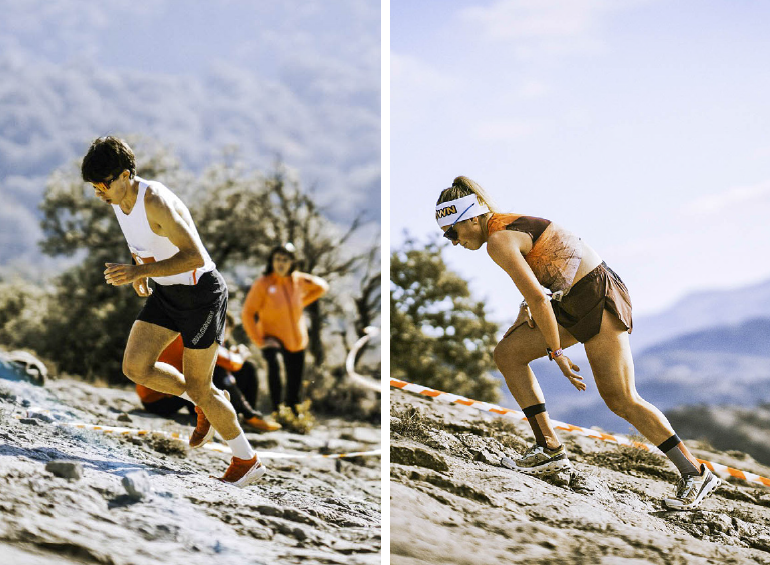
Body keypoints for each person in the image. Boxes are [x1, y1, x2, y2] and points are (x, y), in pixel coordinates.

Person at [435, 176, 720, 511]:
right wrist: (526, 310)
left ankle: (695, 472)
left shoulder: (498, 240)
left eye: (451, 232)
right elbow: (546, 278)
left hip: (596, 298)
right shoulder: (506, 227)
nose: (453, 242)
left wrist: (556, 353)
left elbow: (540, 300)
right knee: (508, 354)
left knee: (621, 399)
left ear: (470, 218)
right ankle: (549, 449)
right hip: (574, 297)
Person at [81, 136, 264, 487]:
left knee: (201, 386)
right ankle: (206, 403)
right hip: (167, 293)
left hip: (201, 296)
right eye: (93, 187)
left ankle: (247, 460)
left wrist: (139, 272)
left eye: (103, 184)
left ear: (124, 175)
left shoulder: (156, 201)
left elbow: (194, 256)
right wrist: (139, 265)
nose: (99, 192)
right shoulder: (119, 199)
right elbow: (143, 241)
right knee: (136, 367)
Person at [136, 313, 281, 432]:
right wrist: (241, 354)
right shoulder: (201, 336)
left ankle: (247, 414)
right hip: (158, 400)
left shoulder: (190, 330)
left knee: (246, 367)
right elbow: (233, 363)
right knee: (218, 369)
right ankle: (250, 415)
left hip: (174, 392)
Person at [241, 243, 329, 414]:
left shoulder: (298, 281)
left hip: (297, 341)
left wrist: (300, 302)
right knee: (276, 372)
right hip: (271, 340)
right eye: (277, 259)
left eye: (285, 260)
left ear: (292, 262)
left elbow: (322, 287)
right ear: (272, 261)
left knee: (295, 380)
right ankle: (277, 412)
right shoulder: (263, 284)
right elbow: (248, 314)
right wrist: (260, 341)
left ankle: (294, 415)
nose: (280, 263)